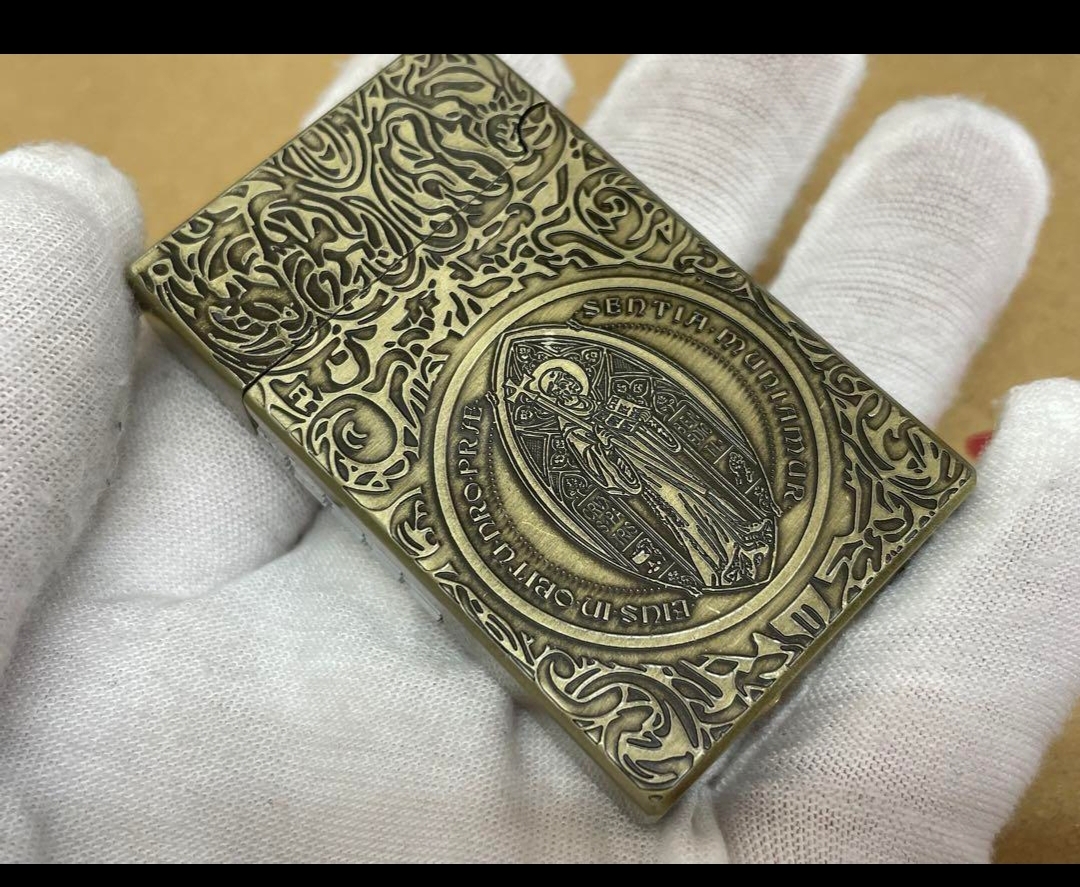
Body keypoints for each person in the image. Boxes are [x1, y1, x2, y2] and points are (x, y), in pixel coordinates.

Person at [0, 54, 1074, 863]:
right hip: (619, 522)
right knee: (676, 521)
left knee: (708, 500)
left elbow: (659, 428)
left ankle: (736, 540)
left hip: (671, 479)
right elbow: (587, 472)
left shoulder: (593, 392)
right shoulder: (548, 415)